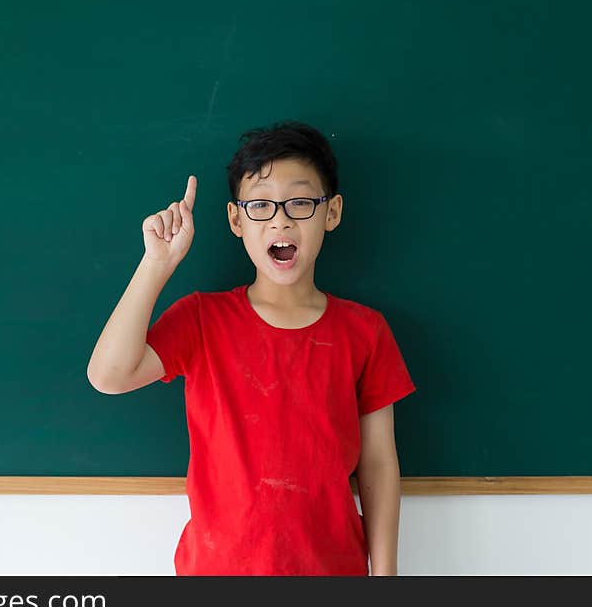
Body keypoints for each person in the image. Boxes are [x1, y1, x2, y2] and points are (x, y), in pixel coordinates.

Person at [87, 121, 417, 575]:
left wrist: (386, 575)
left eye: (300, 203)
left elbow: (378, 465)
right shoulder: (202, 319)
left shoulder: (365, 332)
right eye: (260, 205)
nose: (280, 219)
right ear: (236, 220)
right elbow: (109, 375)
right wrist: (157, 263)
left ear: (332, 211)